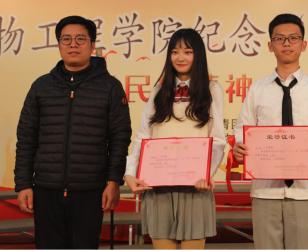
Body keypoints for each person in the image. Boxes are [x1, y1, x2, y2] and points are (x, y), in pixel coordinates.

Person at [14, 15, 132, 248]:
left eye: (80, 39)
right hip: (47, 190)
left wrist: (113, 181)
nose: (73, 45)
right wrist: (24, 184)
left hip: (90, 191)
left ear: (92, 45)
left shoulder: (110, 87)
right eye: (66, 39)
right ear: (59, 45)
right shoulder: (42, 86)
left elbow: (120, 138)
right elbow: (26, 138)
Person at [233, 14, 308, 249]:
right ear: (269, 45)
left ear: (304, 44)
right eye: (279, 38)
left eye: (293, 38)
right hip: (265, 190)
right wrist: (240, 145)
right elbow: (243, 128)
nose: (286, 43)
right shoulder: (257, 89)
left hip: (305, 190)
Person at [124, 29, 226, 249]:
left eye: (188, 52)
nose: (180, 57)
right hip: (158, 187)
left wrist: (206, 174)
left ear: (198, 56)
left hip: (195, 188)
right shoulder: (159, 90)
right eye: (175, 52)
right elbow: (143, 136)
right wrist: (130, 173)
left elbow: (217, 139)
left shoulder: (211, 90)